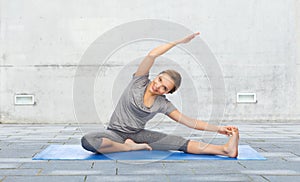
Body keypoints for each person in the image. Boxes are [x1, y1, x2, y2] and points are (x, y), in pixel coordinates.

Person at [81, 32, 239, 157]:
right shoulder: (139, 81)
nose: (158, 86)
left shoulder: (163, 104)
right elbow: (152, 55)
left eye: (164, 88)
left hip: (139, 135)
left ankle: (225, 150)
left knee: (179, 143)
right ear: (156, 76)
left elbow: (189, 122)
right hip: (114, 133)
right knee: (89, 141)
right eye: (159, 80)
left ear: (168, 92)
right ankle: (128, 148)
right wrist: (178, 42)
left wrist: (218, 129)